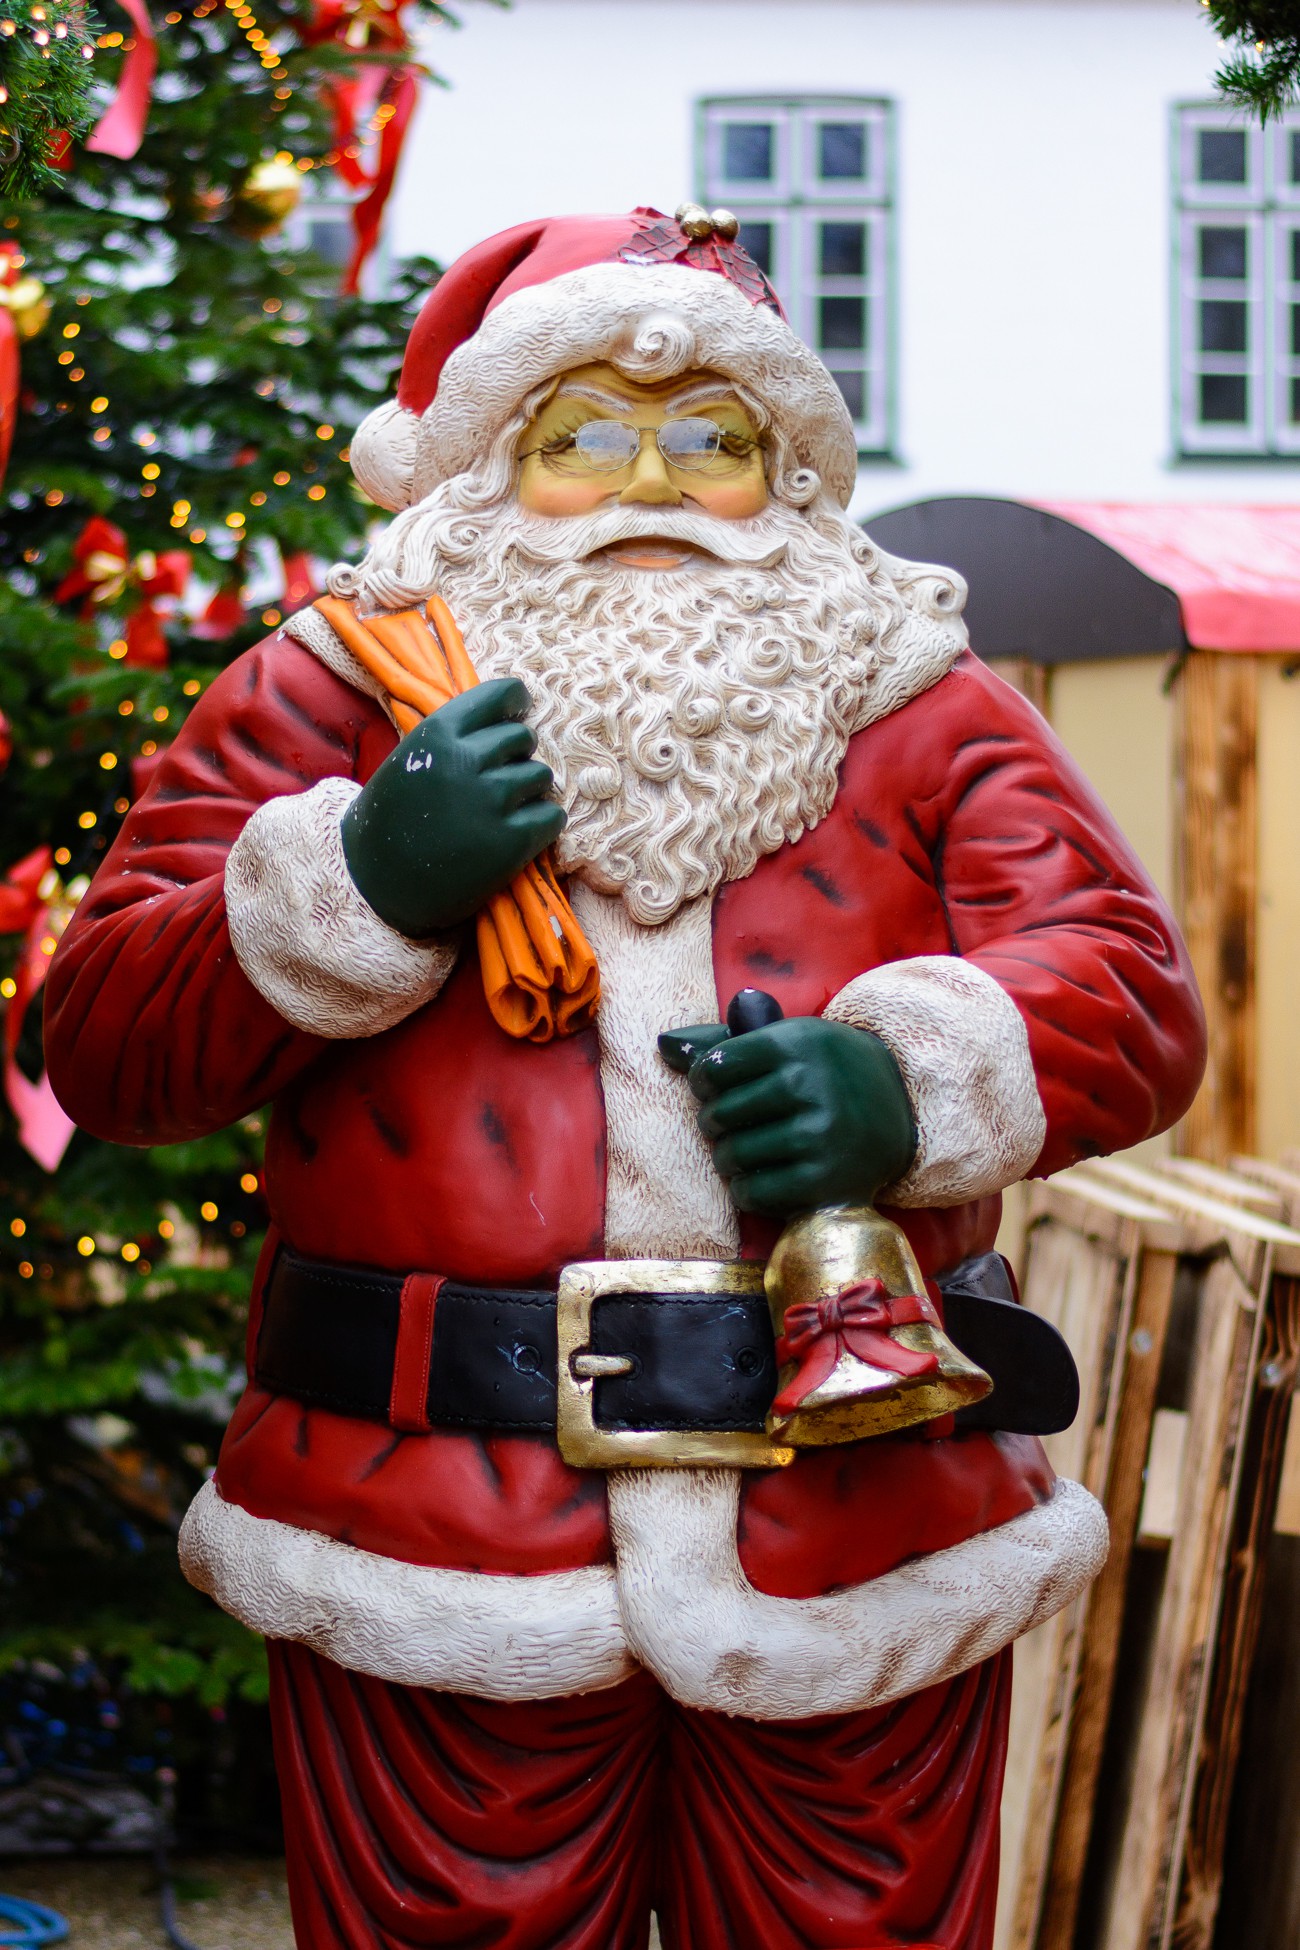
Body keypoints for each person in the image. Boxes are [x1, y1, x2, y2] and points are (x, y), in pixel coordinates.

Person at [45, 206, 1206, 1950]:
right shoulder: (333, 687)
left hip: (858, 1510)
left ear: (786, 472)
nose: (649, 484)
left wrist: (907, 1085)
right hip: (431, 1517)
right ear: (483, 465)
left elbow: (1130, 983)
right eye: (583, 435)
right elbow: (109, 1042)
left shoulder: (915, 695)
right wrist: (358, 879)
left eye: (710, 439)